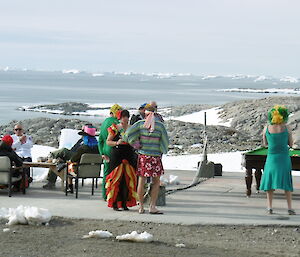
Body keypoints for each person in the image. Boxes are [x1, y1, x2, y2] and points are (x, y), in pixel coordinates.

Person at [125, 105, 169, 214]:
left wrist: (136, 144)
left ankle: (140, 206)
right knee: (156, 182)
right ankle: (152, 206)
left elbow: (127, 135)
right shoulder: (160, 126)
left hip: (143, 156)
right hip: (155, 156)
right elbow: (165, 141)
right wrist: (162, 150)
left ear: (145, 113)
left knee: (141, 181)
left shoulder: (140, 125)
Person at [260, 105, 295, 215]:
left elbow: (265, 144)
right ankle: (289, 208)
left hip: (271, 157)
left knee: (270, 182)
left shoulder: (267, 128)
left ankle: (269, 207)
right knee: (286, 182)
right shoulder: (286, 128)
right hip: (284, 157)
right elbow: (291, 144)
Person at [105, 110, 138, 211]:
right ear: (120, 118)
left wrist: (135, 144)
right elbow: (108, 142)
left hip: (129, 154)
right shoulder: (115, 128)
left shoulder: (132, 128)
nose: (125, 118)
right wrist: (117, 143)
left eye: (127, 116)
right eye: (123, 116)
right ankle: (115, 202)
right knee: (116, 179)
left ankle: (124, 203)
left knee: (127, 179)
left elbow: (136, 142)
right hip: (117, 155)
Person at [42, 124, 89, 189]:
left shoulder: (87, 143)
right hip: (74, 157)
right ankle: (51, 182)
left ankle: (50, 156)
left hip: (76, 160)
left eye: (83, 130)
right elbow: (73, 149)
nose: (82, 132)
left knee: (63, 150)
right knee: (56, 161)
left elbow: (79, 153)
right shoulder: (82, 140)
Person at [98, 104, 122, 200]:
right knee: (115, 174)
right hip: (113, 149)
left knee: (106, 174)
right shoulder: (116, 123)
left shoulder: (104, 122)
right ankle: (113, 195)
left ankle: (105, 195)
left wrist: (101, 153)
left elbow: (100, 140)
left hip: (105, 150)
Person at [66, 125, 99, 193]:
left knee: (69, 166)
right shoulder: (98, 149)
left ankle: (70, 187)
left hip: (80, 171)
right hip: (94, 171)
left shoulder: (83, 148)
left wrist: (69, 161)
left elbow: (73, 159)